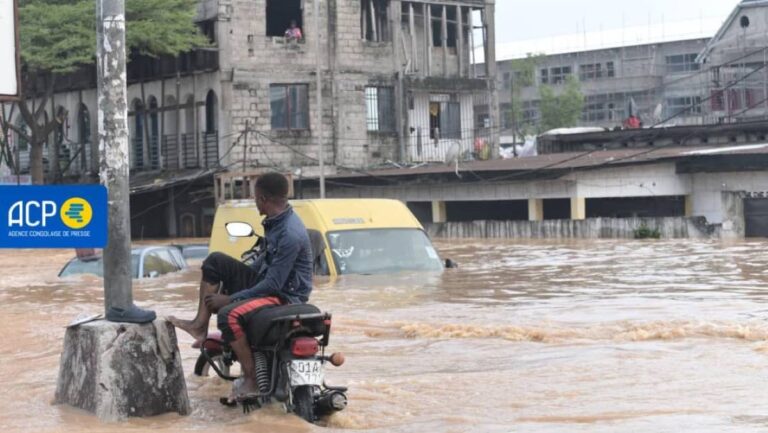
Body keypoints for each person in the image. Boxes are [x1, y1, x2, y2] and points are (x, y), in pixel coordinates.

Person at [169, 172, 313, 397]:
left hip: (285, 296)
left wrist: (230, 298)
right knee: (216, 261)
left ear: (263, 199)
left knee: (228, 314)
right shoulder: (277, 223)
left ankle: (252, 376)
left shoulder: (289, 233)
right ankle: (199, 325)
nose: (255, 203)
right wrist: (238, 275)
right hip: (272, 285)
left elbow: (273, 284)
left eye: (255, 198)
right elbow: (261, 265)